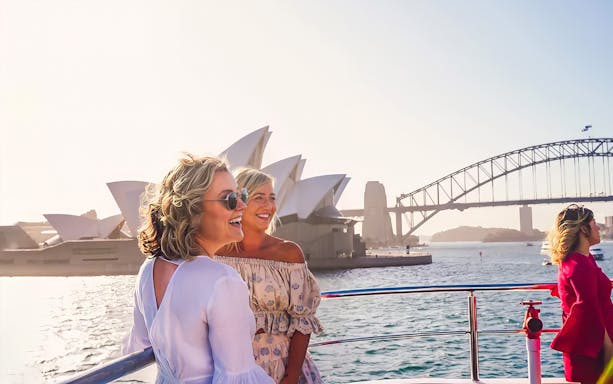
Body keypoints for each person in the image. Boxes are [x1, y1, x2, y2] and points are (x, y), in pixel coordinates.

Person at [122, 154, 274, 384]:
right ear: (192, 211)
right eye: (229, 199)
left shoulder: (148, 269)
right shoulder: (222, 281)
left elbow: (138, 347)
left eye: (241, 195)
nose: (242, 205)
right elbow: (237, 379)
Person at [215, 168, 324, 384]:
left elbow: (302, 322)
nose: (269, 206)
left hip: (282, 367)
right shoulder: (217, 253)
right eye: (259, 198)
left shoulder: (288, 253)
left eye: (271, 198)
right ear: (239, 202)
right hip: (228, 368)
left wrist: (292, 376)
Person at [549, 204, 612, 384]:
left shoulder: (582, 259)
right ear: (583, 229)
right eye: (594, 223)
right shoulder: (579, 266)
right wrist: (609, 351)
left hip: (594, 343)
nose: (598, 228)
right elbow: (590, 312)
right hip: (596, 350)